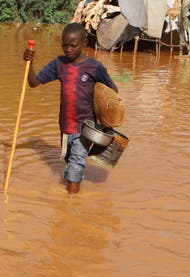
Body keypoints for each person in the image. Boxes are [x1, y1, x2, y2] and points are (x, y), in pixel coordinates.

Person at [23, 22, 119, 193]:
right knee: (70, 161)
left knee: (74, 166)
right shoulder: (59, 64)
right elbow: (33, 83)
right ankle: (75, 190)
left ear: (84, 43)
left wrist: (107, 121)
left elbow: (112, 93)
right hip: (65, 125)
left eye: (72, 45)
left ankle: (70, 205)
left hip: (85, 128)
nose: (68, 49)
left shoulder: (94, 67)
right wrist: (30, 63)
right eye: (64, 45)